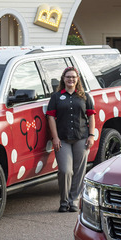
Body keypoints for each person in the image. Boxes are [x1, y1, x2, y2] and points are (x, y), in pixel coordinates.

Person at [46, 67, 96, 212]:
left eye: (73, 77)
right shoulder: (56, 97)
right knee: (65, 170)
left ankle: (73, 200)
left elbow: (91, 116)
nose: (71, 79)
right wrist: (55, 137)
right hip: (63, 139)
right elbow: (50, 117)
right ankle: (63, 201)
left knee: (79, 170)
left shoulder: (84, 96)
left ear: (77, 79)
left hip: (82, 137)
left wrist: (91, 135)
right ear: (63, 78)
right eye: (68, 77)